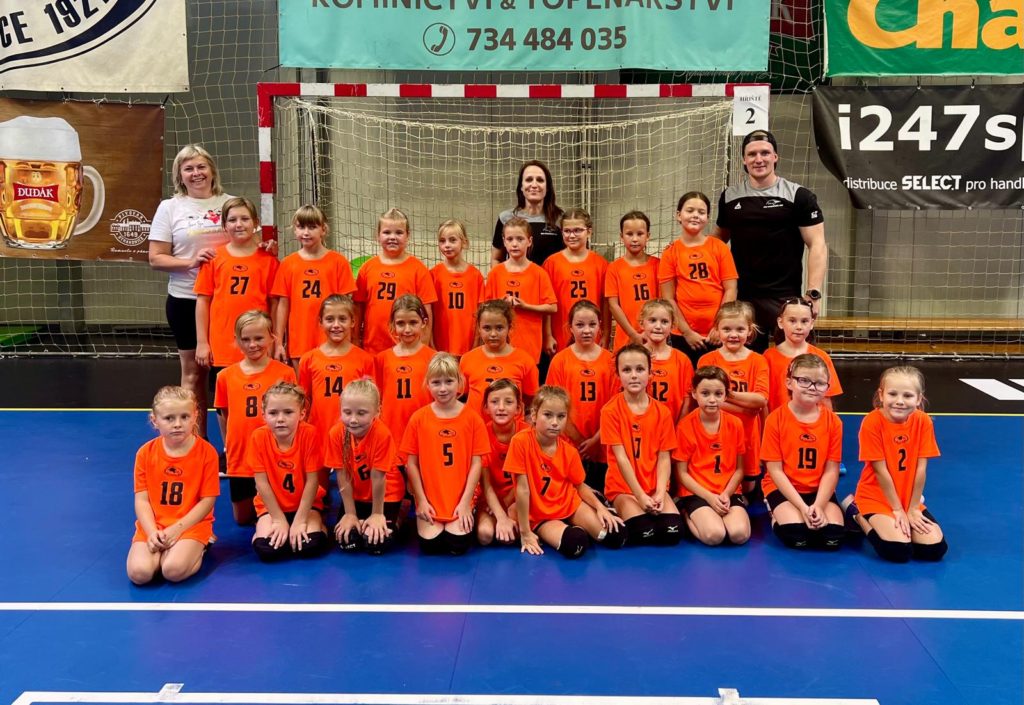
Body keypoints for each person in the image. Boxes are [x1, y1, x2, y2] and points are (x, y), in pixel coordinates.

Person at [712, 129, 827, 353]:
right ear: (744, 160)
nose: (759, 159)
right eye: (752, 154)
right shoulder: (730, 197)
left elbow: (817, 245)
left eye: (765, 153)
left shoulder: (799, 196)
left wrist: (813, 293)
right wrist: (684, 248)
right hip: (744, 298)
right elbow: (716, 243)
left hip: (784, 296)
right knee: (746, 362)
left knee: (795, 362)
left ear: (775, 157)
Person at [148, 145, 233, 436]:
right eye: (189, 169)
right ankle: (195, 442)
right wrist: (190, 262)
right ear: (180, 176)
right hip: (186, 299)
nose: (196, 173)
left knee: (226, 376)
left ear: (212, 170)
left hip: (226, 301)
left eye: (201, 167)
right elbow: (156, 258)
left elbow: (249, 245)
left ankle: (233, 446)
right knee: (194, 374)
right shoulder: (170, 208)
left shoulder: (231, 203)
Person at [506, 386, 626, 558]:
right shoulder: (520, 442)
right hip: (540, 514)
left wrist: (601, 508)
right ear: (534, 415)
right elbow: (523, 490)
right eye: (548, 415)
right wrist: (525, 532)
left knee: (616, 535)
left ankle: (585, 519)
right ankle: (571, 529)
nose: (555, 422)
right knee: (575, 544)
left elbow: (579, 485)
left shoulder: (569, 451)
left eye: (561, 416)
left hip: (568, 504)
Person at [843, 366, 947, 563]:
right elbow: (880, 471)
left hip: (907, 498)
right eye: (893, 394)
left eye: (907, 395)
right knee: (898, 551)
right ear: (881, 395)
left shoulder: (923, 421)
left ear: (919, 398)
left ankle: (903, 519)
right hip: (876, 496)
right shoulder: (872, 422)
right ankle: (856, 512)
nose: (899, 401)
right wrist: (897, 510)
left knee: (934, 550)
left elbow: (921, 469)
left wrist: (913, 508)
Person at [126, 386, 219, 585]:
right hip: (155, 524)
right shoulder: (145, 453)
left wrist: (176, 530)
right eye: (169, 418)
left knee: (172, 571)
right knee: (139, 574)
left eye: (184, 417)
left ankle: (201, 545)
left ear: (195, 416)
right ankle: (166, 549)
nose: (177, 424)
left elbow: (207, 501)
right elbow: (142, 501)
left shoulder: (207, 453)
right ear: (155, 421)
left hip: (191, 525)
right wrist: (152, 532)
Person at [401, 352, 490, 556]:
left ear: (459, 383)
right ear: (427, 384)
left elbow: (477, 464)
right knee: (431, 546)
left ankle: (467, 512)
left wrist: (465, 503)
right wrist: (421, 500)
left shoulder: (472, 418)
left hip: (460, 496)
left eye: (449, 381)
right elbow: (411, 464)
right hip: (430, 497)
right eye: (436, 382)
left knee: (457, 544)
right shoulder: (418, 418)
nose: (443, 388)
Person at [213, 310, 296, 525]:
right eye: (246, 339)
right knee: (243, 519)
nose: (252, 345)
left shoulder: (284, 373)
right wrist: (228, 446)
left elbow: (293, 414)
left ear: (272, 337)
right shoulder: (225, 377)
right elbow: (225, 415)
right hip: (241, 455)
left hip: (273, 453)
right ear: (236, 340)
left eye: (259, 338)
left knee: (279, 511)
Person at [600, 344, 684, 547]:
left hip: (654, 485)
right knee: (644, 532)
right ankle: (615, 504)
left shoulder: (662, 412)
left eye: (640, 369)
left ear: (650, 373)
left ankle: (678, 506)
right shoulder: (610, 411)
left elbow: (664, 457)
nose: (634, 375)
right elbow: (621, 458)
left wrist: (660, 492)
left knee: (672, 532)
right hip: (624, 487)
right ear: (618, 375)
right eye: (626, 370)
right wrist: (639, 495)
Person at [761, 354, 845, 550]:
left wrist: (819, 505)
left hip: (817, 489)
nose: (812, 387)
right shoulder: (775, 419)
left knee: (832, 539)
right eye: (804, 380)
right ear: (789, 382)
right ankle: (774, 512)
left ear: (827, 387)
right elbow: (775, 470)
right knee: (798, 537)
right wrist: (801, 507)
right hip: (784, 487)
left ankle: (846, 506)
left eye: (819, 383)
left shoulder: (833, 422)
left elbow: (831, 470)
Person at [296, 294, 373, 490]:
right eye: (330, 319)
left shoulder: (364, 359)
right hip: (318, 433)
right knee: (316, 493)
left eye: (342, 319)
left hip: (352, 434)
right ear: (320, 322)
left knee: (352, 491)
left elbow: (370, 401)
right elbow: (304, 400)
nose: (336, 325)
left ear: (353, 321)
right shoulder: (309, 359)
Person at [247, 382, 330, 562]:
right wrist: (278, 519)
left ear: (302, 414)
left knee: (310, 546)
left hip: (306, 505)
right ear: (264, 415)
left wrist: (300, 520)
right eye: (273, 413)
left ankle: (320, 525)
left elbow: (312, 481)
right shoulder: (258, 437)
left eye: (288, 412)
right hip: (271, 507)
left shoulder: (309, 434)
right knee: (268, 550)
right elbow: (261, 483)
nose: (280, 419)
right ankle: (260, 532)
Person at [194, 197, 279, 370]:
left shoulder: (269, 261)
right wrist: (202, 342)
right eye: (232, 220)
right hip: (222, 345)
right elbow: (203, 301)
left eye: (245, 219)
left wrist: (274, 341)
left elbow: (275, 304)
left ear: (256, 223)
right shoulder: (213, 259)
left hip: (258, 345)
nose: (239, 224)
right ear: (224, 225)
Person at [697, 301, 769, 497]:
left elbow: (761, 400)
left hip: (748, 433)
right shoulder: (707, 360)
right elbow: (705, 402)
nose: (733, 334)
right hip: (717, 433)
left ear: (750, 330)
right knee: (716, 481)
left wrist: (723, 393)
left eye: (740, 329)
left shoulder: (758, 361)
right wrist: (746, 408)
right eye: (727, 329)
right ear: (716, 330)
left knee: (748, 488)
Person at [660, 191, 738, 368]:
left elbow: (731, 289)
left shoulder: (719, 247)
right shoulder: (670, 252)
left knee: (714, 381)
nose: (695, 215)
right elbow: (668, 297)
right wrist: (686, 332)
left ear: (707, 218)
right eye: (690, 210)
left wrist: (719, 326)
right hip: (683, 334)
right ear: (678, 215)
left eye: (701, 212)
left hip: (716, 334)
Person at [327, 379, 405, 555]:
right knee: (348, 541)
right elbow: (342, 475)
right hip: (358, 494)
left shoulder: (382, 434)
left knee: (376, 543)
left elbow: (378, 478)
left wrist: (377, 514)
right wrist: (350, 514)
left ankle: (400, 511)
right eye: (347, 412)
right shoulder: (336, 434)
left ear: (377, 411)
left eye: (361, 413)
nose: (353, 420)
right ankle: (361, 519)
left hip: (386, 494)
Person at [673, 366, 750, 546]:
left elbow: (740, 469)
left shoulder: (735, 424)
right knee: (714, 536)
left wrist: (726, 494)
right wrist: (708, 497)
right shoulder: (685, 426)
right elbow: (681, 473)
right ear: (694, 393)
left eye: (718, 394)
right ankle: (686, 513)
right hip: (697, 492)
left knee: (739, 535)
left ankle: (718, 510)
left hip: (726, 491)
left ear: (726, 395)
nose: (712, 400)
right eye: (705, 393)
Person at [545, 300, 617, 492]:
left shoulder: (610, 361)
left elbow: (615, 407)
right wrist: (579, 441)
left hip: (602, 445)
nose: (586, 330)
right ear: (570, 327)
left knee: (601, 497)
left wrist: (595, 440)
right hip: (569, 445)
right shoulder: (560, 361)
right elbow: (554, 406)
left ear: (600, 326)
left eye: (592, 324)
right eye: (580, 325)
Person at [272, 204, 356, 366]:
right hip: (300, 340)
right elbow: (283, 305)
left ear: (323, 229)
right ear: (294, 230)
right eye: (301, 227)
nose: (306, 232)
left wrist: (348, 339)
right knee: (302, 383)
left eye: (312, 227)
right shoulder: (288, 264)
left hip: (332, 340)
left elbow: (346, 306)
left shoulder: (338, 262)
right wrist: (278, 343)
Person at [355, 208, 437, 355]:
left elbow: (427, 314)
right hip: (373, 350)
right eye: (387, 232)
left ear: (408, 236)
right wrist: (355, 340)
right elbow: (358, 309)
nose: (392, 237)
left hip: (407, 349)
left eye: (399, 233)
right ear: (377, 235)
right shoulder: (367, 268)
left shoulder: (418, 269)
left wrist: (422, 346)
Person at [484, 216, 557, 363]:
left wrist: (526, 306)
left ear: (529, 241)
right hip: (500, 344)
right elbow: (486, 307)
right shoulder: (495, 273)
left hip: (529, 344)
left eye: (520, 239)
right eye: (510, 239)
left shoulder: (539, 273)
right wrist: (501, 304)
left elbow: (552, 307)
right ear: (504, 241)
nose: (515, 244)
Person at [374, 295, 435, 456]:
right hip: (391, 434)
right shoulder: (382, 359)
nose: (407, 330)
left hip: (424, 433)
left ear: (424, 322)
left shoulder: (433, 358)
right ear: (392, 325)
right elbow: (378, 399)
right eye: (401, 323)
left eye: (413, 323)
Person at [543, 208, 609, 354]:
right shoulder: (551, 263)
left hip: (591, 332)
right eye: (567, 231)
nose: (572, 235)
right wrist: (547, 335)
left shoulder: (601, 264)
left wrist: (606, 333)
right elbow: (546, 303)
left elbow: (605, 302)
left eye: (578, 230)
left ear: (589, 232)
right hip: (561, 333)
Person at [459, 299, 538, 415]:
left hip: (512, 425)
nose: (493, 334)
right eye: (487, 328)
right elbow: (462, 395)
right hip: (476, 425)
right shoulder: (467, 359)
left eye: (499, 328)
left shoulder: (525, 360)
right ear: (479, 328)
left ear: (509, 327)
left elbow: (531, 398)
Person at [764, 298, 843, 412]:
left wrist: (828, 423)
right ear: (780, 322)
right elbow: (764, 400)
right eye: (792, 321)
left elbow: (826, 398)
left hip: (812, 422)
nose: (799, 327)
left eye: (804, 321)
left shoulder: (821, 356)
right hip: (779, 421)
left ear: (811, 323)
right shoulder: (768, 357)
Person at [476, 378, 529, 547]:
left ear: (518, 408)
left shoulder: (527, 433)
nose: (501, 407)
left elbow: (527, 478)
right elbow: (486, 484)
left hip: (520, 496)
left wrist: (507, 505)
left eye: (508, 402)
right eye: (494, 402)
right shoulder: (481, 434)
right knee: (485, 535)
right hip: (491, 499)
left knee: (511, 534)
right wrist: (500, 515)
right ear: (486, 407)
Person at [491, 160, 564, 267]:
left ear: (547, 187)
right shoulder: (505, 218)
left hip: (550, 278)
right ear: (521, 186)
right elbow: (496, 259)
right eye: (529, 179)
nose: (534, 185)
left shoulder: (560, 219)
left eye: (540, 180)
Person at [605, 210, 660, 353]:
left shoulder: (658, 265)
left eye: (640, 234)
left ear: (648, 236)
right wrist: (633, 334)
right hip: (625, 337)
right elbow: (613, 305)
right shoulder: (614, 268)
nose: (635, 239)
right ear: (621, 236)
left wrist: (651, 331)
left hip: (654, 337)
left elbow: (663, 303)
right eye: (629, 234)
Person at [431, 219, 486, 357]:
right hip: (441, 347)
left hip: (468, 346)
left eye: (452, 240)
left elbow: (481, 314)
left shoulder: (475, 276)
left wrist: (476, 344)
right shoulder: (433, 274)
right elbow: (427, 314)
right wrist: (431, 346)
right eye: (442, 241)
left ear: (464, 242)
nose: (447, 245)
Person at [639, 299, 694, 423]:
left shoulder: (682, 360)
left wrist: (679, 428)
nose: (658, 326)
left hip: (673, 426)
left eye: (664, 322)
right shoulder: (633, 357)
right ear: (642, 323)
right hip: (641, 427)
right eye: (652, 320)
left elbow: (687, 400)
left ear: (672, 326)